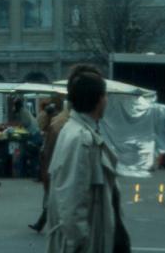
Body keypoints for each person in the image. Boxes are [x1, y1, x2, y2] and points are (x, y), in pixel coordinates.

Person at [46, 65, 130, 253]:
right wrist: (77, 243)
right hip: (90, 241)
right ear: (99, 100)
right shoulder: (80, 138)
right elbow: (72, 201)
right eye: (105, 95)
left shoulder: (74, 131)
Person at [29, 102, 65, 233]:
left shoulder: (54, 128)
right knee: (50, 198)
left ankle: (43, 223)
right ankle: (41, 222)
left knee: (51, 198)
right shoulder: (54, 127)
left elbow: (50, 152)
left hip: (51, 168)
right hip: (50, 168)